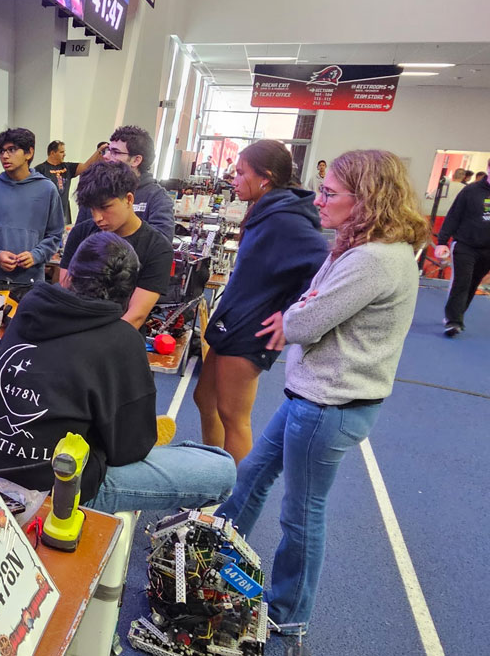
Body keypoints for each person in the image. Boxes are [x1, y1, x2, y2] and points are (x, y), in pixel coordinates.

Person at [216, 150, 430, 647]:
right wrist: (300, 314)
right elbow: (311, 299)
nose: (320, 199)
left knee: (302, 513)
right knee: (251, 474)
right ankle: (218, 551)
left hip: (328, 406)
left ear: (368, 198)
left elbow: (306, 319)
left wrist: (293, 321)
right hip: (312, 396)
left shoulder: (375, 259)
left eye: (331, 193)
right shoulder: (362, 248)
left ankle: (288, 616)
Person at [0, 232, 235, 512]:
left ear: (68, 276)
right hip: (52, 486)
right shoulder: (122, 339)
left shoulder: (30, 306)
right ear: (129, 294)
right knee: (221, 468)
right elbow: (129, 450)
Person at [193, 140, 328, 464]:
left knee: (233, 417)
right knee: (204, 398)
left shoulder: (286, 218)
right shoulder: (267, 209)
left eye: (241, 173)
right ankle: (214, 479)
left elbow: (324, 266)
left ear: (265, 177)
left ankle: (232, 505)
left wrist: (291, 314)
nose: (234, 179)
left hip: (252, 329)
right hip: (235, 320)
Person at [59, 161, 173, 328]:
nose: (97, 217)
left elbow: (136, 316)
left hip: (121, 339)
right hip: (75, 330)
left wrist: (98, 341)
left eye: (105, 207)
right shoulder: (80, 233)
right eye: (92, 209)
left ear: (128, 199)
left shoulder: (157, 248)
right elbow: (66, 291)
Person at [0, 128, 64, 285]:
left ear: (29, 153)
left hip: (32, 282)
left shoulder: (47, 190)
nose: (5, 156)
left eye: (11, 150)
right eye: (1, 151)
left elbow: (55, 234)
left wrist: (35, 255)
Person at [435, 158, 490, 336]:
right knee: (462, 282)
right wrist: (442, 242)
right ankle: (453, 321)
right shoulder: (471, 191)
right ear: (488, 169)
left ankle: (457, 314)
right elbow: (453, 216)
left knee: (473, 283)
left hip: (487, 249)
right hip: (465, 245)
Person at [94, 125, 175, 241]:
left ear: (136, 160)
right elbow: (81, 236)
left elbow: (160, 246)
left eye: (115, 152)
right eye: (108, 150)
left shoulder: (157, 198)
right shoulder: (96, 190)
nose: (106, 156)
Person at [34, 139, 102, 224]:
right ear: (52, 153)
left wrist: (99, 151)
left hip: (63, 212)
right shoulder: (40, 169)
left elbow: (85, 167)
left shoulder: (68, 167)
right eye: (61, 152)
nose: (64, 154)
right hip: (46, 213)